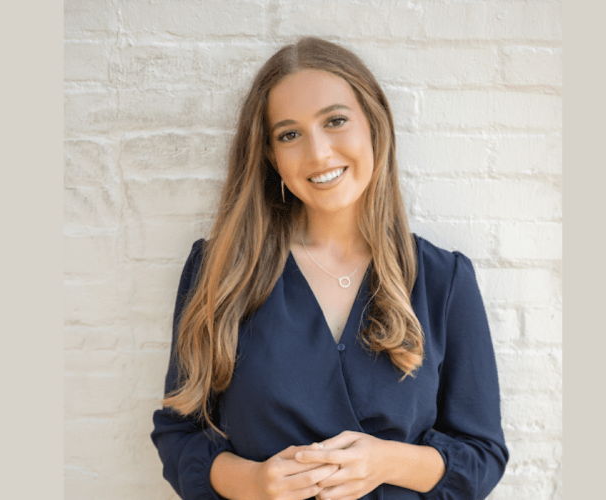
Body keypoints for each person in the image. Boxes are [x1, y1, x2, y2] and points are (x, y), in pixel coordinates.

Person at [151, 37, 508, 500]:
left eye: (335, 121)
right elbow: (178, 434)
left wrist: (385, 461)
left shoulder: (445, 281)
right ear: (270, 156)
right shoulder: (220, 270)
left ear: (374, 125)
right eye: (289, 134)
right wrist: (256, 483)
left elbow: (482, 455)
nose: (318, 154)